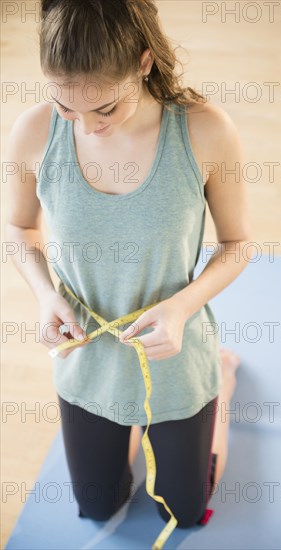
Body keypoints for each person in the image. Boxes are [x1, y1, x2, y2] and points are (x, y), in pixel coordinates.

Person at [5, 0, 252, 534]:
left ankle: (222, 382)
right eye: (66, 107)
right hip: (87, 355)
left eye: (106, 110)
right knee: (97, 507)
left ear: (143, 63)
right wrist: (48, 297)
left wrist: (183, 308)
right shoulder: (32, 132)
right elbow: (19, 229)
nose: (88, 128)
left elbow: (238, 244)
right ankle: (127, 422)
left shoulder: (206, 131)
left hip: (176, 353)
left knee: (185, 513)